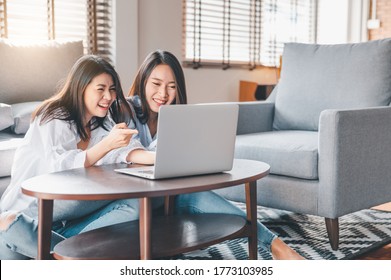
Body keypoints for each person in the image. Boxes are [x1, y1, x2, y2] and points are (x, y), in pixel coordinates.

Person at [127, 50, 305, 260]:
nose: (163, 93)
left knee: (210, 201)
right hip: (135, 203)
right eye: (156, 84)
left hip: (170, 197)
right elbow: (127, 154)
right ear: (143, 82)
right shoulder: (126, 109)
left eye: (171, 86)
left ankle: (279, 248)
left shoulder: (177, 116)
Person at [0, 54, 155, 259]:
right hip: (32, 211)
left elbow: (124, 151)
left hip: (68, 221)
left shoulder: (100, 121)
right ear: (81, 88)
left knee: (136, 205)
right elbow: (59, 171)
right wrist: (106, 145)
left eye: (112, 89)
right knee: (9, 225)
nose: (108, 97)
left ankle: (70, 256)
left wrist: (161, 158)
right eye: (100, 89)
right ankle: (75, 258)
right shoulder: (54, 116)